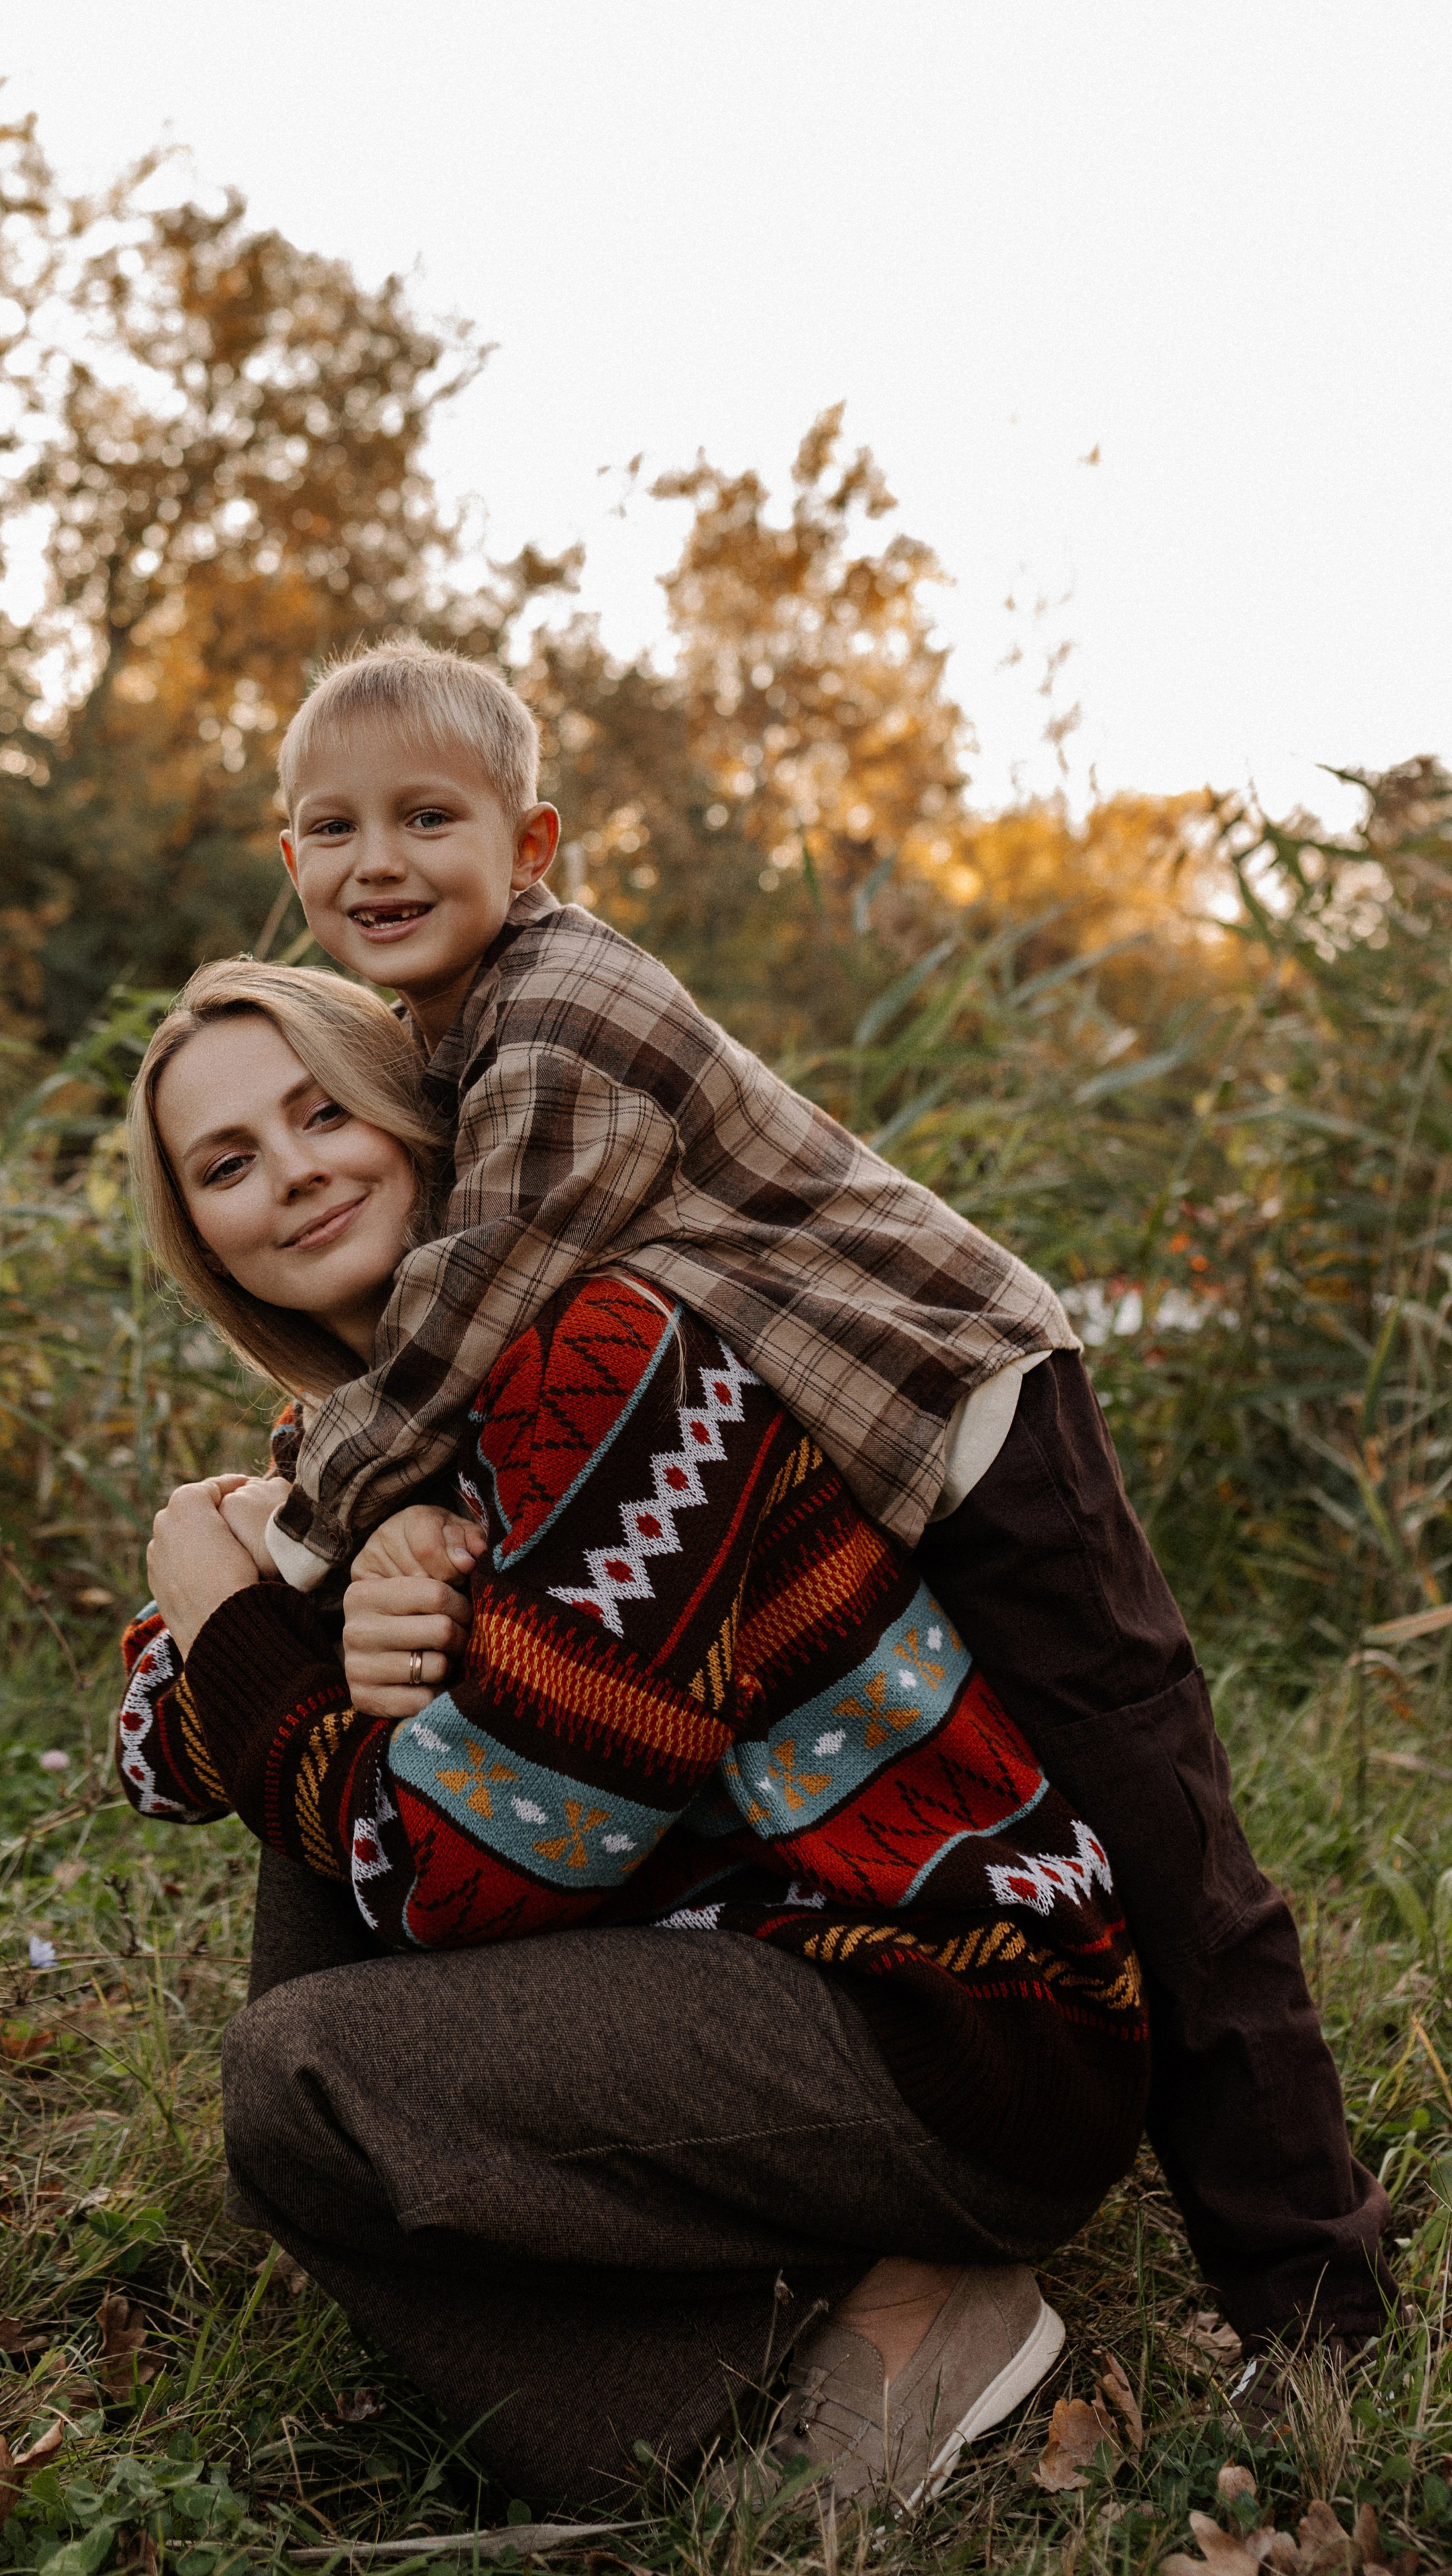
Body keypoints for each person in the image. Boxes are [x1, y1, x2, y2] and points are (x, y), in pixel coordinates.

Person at [250, 639, 1392, 2362]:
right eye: (333, 830)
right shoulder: (452, 1039)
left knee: (1164, 1837)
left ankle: (1312, 2292)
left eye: (428, 816)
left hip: (970, 1415)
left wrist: (294, 1516)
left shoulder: (560, 1018)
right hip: (882, 1446)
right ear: (289, 866)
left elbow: (464, 1318)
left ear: (532, 843)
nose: (378, 861)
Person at [115, 960, 1151, 2514]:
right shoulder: (370, 1450)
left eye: (323, 1110)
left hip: (952, 2019)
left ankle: (849, 2355)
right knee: (326, 1845)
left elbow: (454, 1881)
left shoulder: (604, 1356)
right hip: (739, 1971)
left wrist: (227, 1609)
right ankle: (784, 2294)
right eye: (227, 1163)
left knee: (308, 2075)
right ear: (204, 1239)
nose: (294, 1171)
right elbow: (151, 1755)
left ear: (414, 1120)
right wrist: (304, 1590)